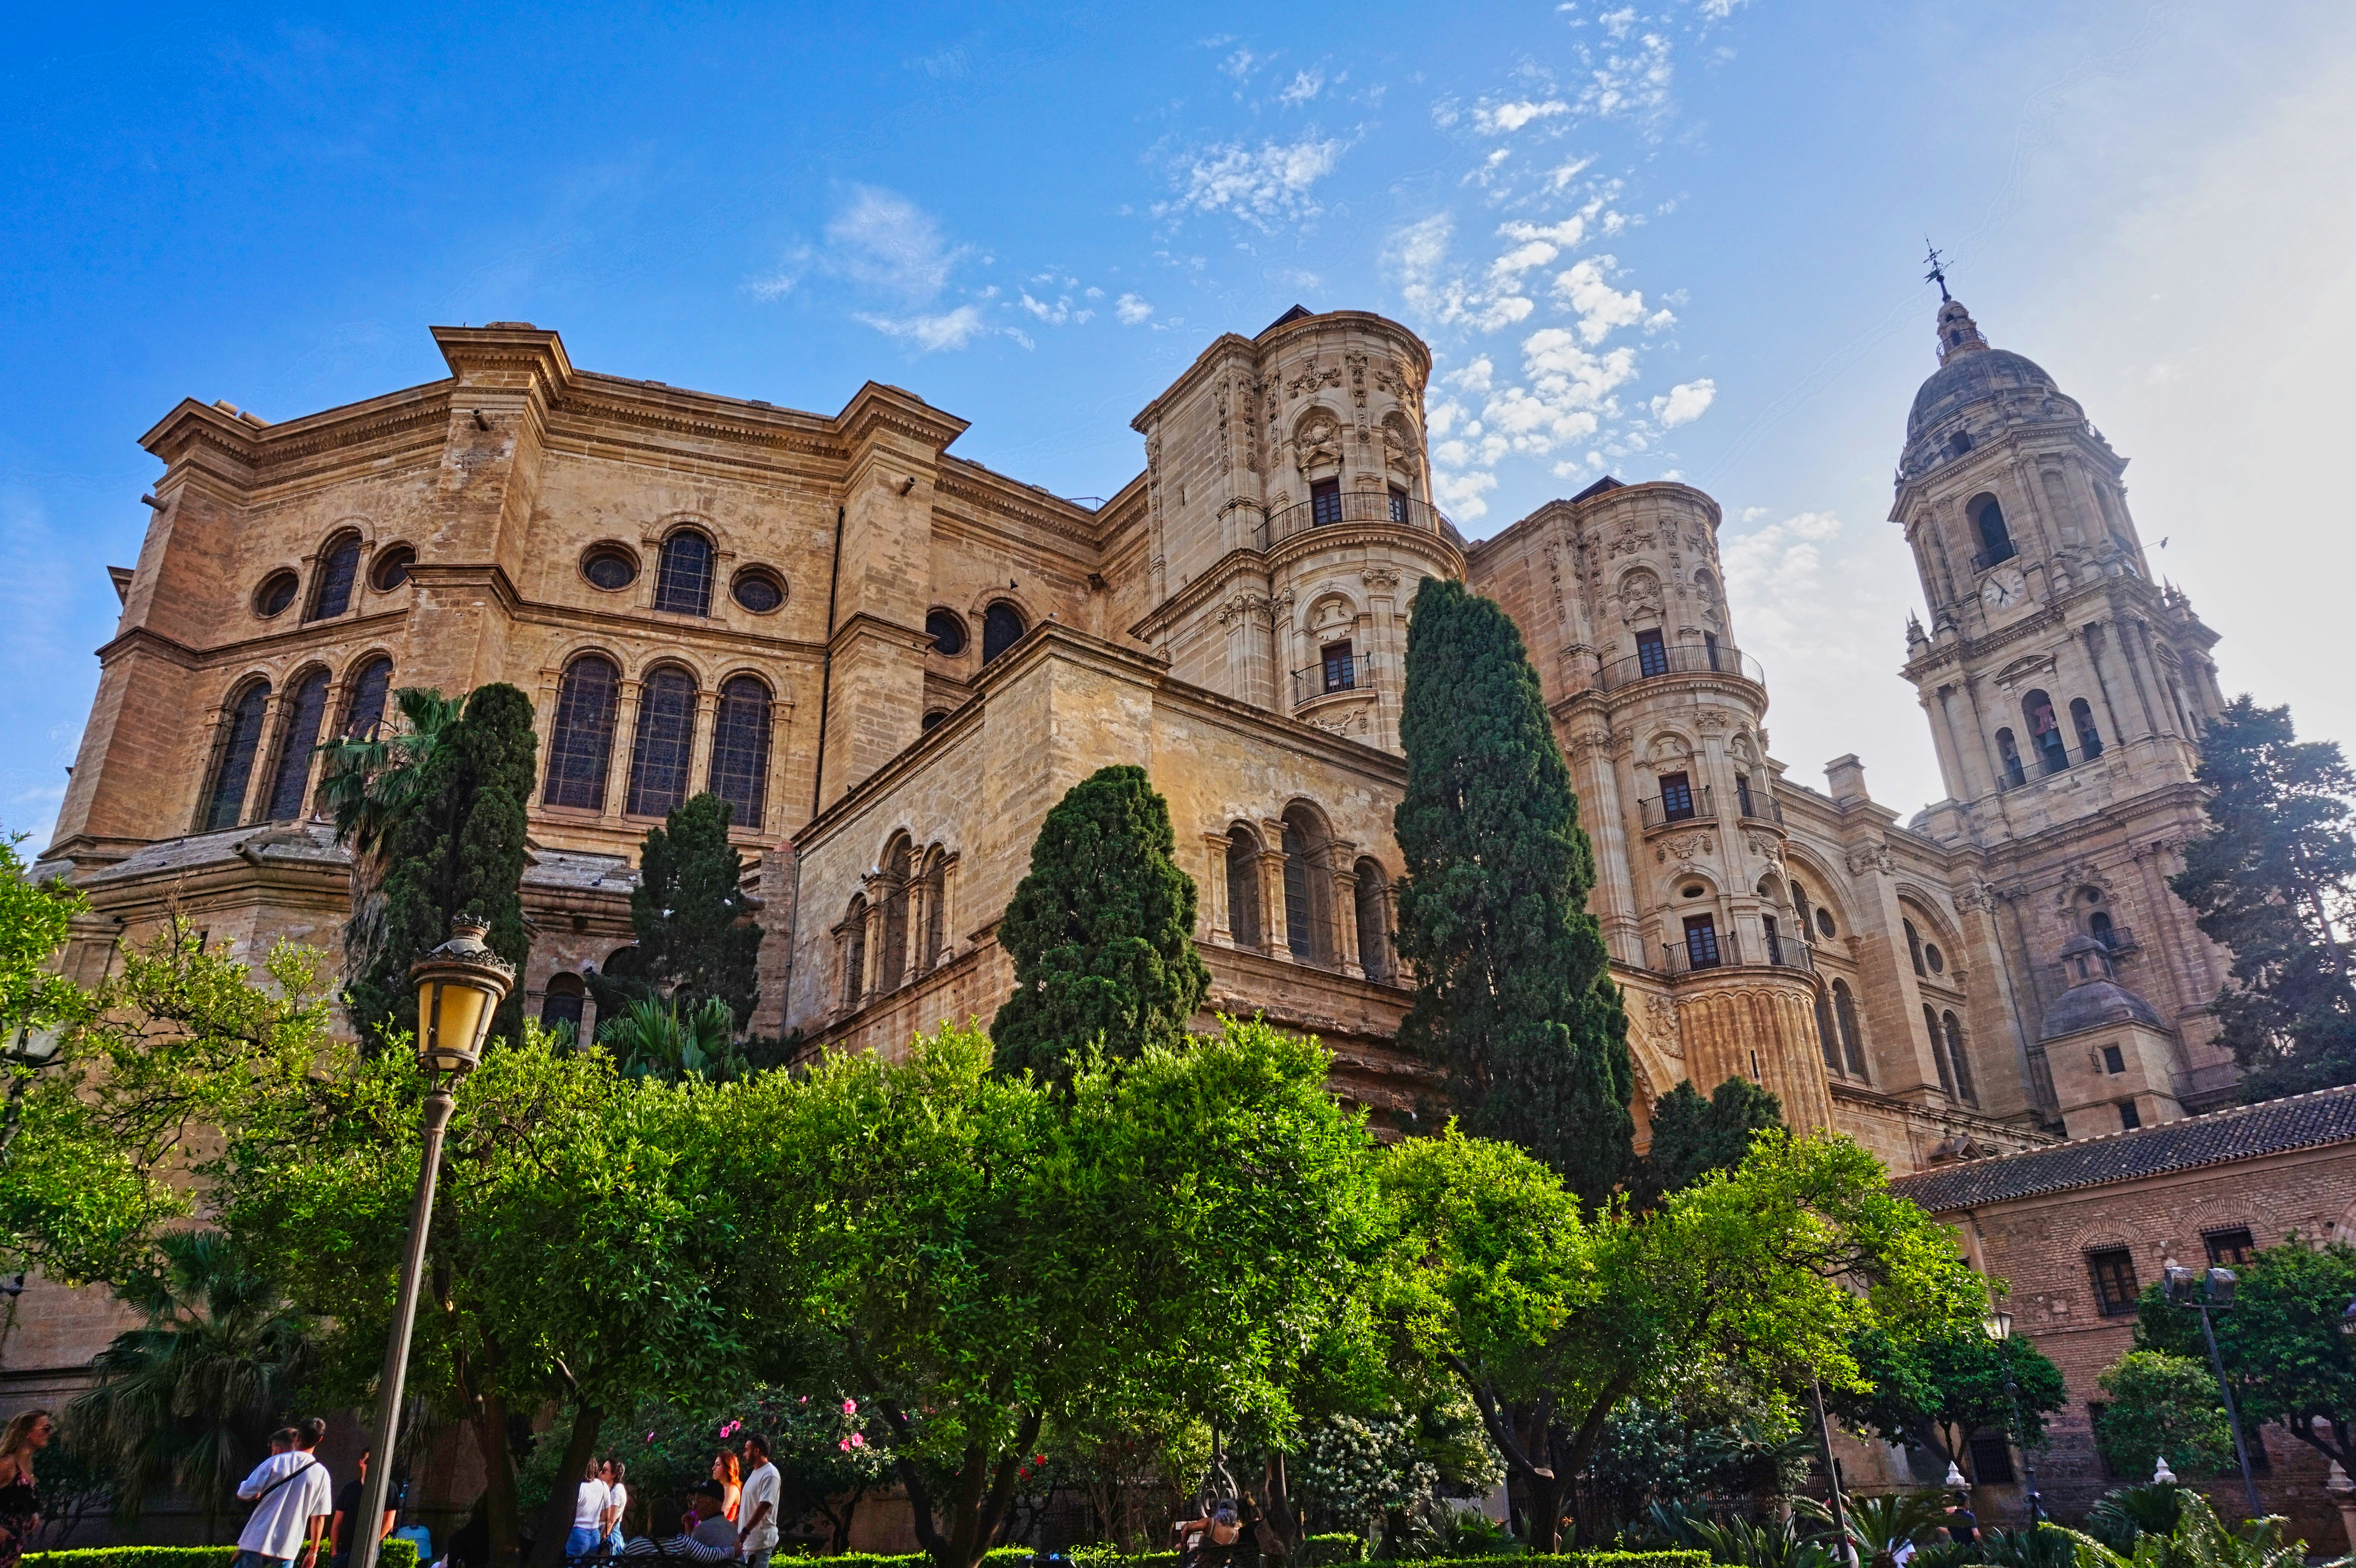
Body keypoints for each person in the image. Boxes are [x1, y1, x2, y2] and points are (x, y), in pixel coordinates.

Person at [236, 1419, 335, 1568]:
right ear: (320, 1440)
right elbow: (319, 1517)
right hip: (286, 1548)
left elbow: (243, 1493)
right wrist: (313, 1552)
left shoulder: (275, 1462)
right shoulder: (322, 1475)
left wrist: (257, 1494)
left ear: (298, 1436)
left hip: (255, 1542)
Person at [617, 1480, 737, 1564]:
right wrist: (732, 1550)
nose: (695, 1506)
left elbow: (619, 1563)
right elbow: (711, 1555)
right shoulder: (683, 1543)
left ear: (652, 1521)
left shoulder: (635, 1546)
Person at [0, 1408, 54, 1568]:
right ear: (27, 1432)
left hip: (11, 1550)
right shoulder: (7, 1464)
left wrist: (32, 1513)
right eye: (46, 1428)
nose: (50, 1434)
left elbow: (14, 1500)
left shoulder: (27, 1467)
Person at [329, 1449, 397, 1568]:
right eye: (368, 1461)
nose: (371, 1465)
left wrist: (371, 1547)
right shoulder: (350, 1488)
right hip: (344, 1552)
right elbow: (337, 1522)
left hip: (370, 1554)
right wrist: (334, 1552)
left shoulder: (388, 1488)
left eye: (375, 1462)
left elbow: (388, 1522)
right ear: (361, 1463)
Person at [734, 1434, 779, 1568]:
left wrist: (745, 1532)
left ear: (757, 1451)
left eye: (747, 1450)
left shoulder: (770, 1474)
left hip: (759, 1545)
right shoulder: (755, 1473)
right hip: (746, 1544)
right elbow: (749, 1507)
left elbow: (764, 1506)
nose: (744, 1454)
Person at [566, 1457, 612, 1561]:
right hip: (595, 1535)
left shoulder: (580, 1487)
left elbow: (569, 1513)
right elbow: (607, 1516)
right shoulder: (603, 1486)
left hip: (577, 1533)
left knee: (570, 1563)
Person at [600, 1461, 629, 1557]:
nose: (601, 1473)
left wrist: (601, 1540)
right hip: (610, 1532)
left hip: (611, 1536)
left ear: (614, 1475)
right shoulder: (612, 1489)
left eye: (605, 1470)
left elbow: (611, 1520)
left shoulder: (617, 1491)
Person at [710, 1452, 741, 1525]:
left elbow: (722, 1514)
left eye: (718, 1465)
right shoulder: (719, 1487)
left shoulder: (731, 1489)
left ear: (728, 1467)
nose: (713, 1469)